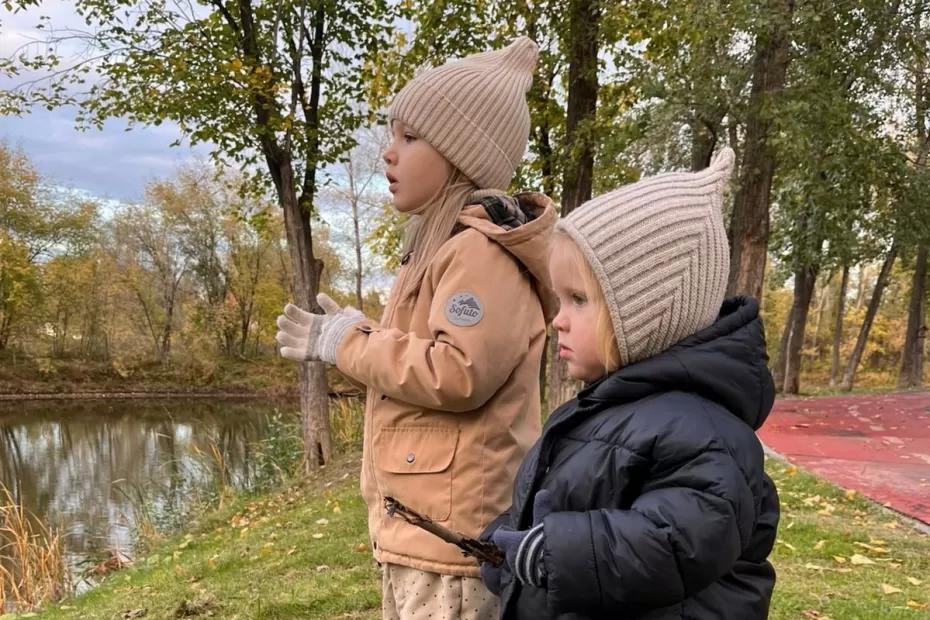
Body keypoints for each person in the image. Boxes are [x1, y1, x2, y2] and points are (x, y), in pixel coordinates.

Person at [275, 37, 558, 620]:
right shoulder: (435, 246)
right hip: (422, 526)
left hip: (451, 539)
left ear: (461, 153)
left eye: (410, 136)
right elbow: (429, 353)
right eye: (391, 134)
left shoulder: (478, 253)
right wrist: (360, 334)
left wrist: (348, 344)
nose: (388, 153)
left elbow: (459, 372)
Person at [480, 148, 780, 619]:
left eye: (578, 299)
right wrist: (509, 542)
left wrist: (555, 552)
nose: (559, 319)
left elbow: (676, 540)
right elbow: (569, 500)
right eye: (560, 299)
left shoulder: (706, 431)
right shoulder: (607, 409)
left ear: (647, 315)